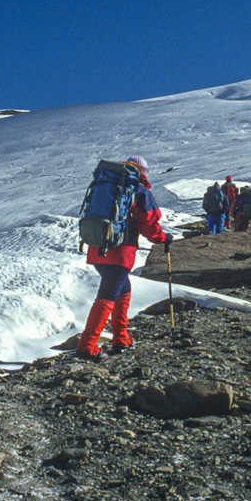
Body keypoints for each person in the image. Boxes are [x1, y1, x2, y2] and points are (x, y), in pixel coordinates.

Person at [77, 155, 172, 361]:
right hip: (119, 253)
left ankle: (121, 338)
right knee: (107, 296)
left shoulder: (108, 183)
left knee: (123, 289)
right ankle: (87, 345)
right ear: (143, 173)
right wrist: (164, 238)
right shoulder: (140, 191)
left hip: (97, 247)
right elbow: (150, 227)